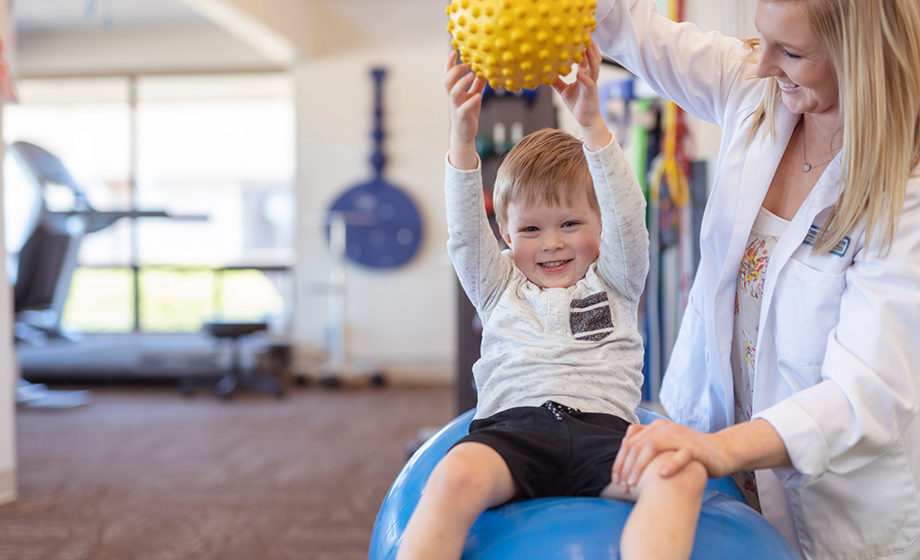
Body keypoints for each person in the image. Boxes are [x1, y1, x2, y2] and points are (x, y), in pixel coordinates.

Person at [591, 0, 920, 558]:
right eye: (761, 37)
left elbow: (865, 392)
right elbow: (630, 29)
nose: (761, 63)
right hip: (716, 459)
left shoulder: (905, 195)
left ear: (859, 57)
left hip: (828, 504)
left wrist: (719, 450)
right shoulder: (757, 91)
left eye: (791, 52)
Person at [396, 43, 707, 560]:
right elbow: (466, 232)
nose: (552, 243)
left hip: (605, 435)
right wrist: (463, 136)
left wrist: (591, 123)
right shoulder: (497, 286)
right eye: (532, 230)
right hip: (512, 432)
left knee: (682, 472)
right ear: (506, 233)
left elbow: (628, 215)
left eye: (570, 224)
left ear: (599, 225)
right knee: (451, 474)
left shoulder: (616, 277)